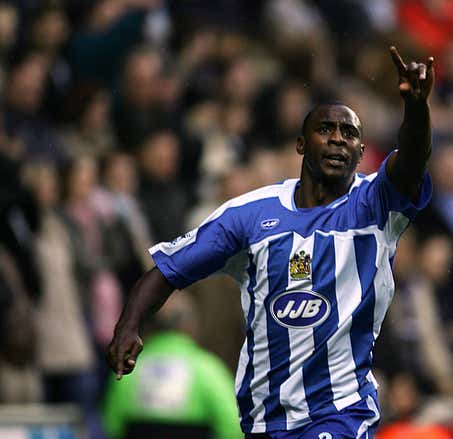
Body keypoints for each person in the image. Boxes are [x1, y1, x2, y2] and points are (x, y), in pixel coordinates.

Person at [108, 46, 435, 438]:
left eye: (349, 134)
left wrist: (416, 108)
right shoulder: (248, 216)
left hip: (340, 413)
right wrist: (129, 324)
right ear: (300, 144)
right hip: (264, 418)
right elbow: (169, 269)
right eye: (325, 130)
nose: (336, 140)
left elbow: (413, 160)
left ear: (362, 152)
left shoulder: (376, 205)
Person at [102, 292, 243, 439]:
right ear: (189, 326)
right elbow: (233, 428)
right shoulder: (207, 369)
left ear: (149, 327)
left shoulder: (127, 370)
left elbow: (111, 426)